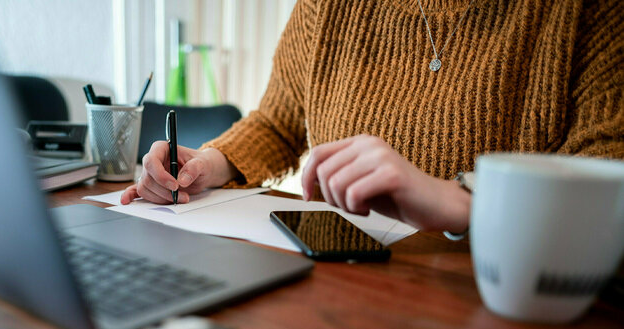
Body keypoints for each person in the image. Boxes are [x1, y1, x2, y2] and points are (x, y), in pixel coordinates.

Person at [122, 0, 623, 235]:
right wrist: (208, 162)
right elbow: (278, 122)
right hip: (338, 283)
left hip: (492, 308)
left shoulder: (590, 13)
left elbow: (608, 181)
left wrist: (462, 201)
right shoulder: (328, 7)